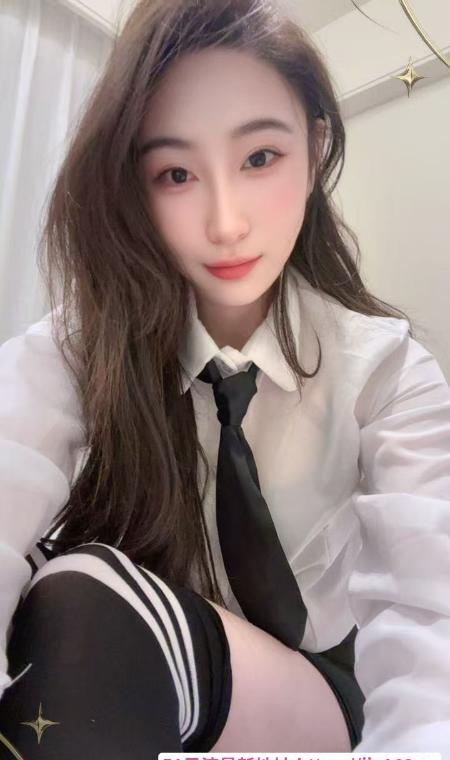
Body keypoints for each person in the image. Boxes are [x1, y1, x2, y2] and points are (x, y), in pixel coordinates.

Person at [0, 0, 449, 757]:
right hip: (151, 656)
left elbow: (432, 626)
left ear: (314, 149)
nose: (226, 222)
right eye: (175, 173)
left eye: (260, 158)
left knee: (84, 602)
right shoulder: (86, 346)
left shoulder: (385, 372)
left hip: (314, 686)